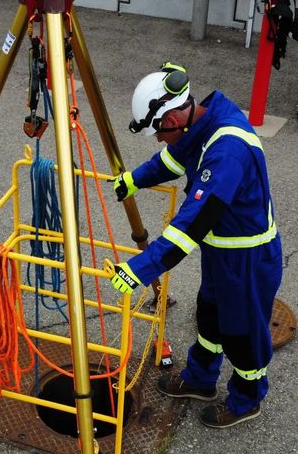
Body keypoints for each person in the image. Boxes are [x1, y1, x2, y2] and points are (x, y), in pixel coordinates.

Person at [109, 62, 282, 429]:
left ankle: (246, 399)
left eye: (159, 131)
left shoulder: (227, 151)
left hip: (247, 258)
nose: (158, 139)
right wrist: (133, 180)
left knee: (242, 332)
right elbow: (172, 160)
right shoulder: (202, 122)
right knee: (209, 316)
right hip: (221, 252)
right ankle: (202, 380)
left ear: (173, 116)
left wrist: (138, 270)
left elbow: (188, 227)